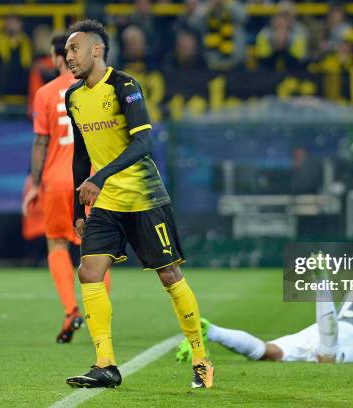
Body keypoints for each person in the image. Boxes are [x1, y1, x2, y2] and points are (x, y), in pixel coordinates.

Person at [62, 19, 213, 389]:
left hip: (144, 196)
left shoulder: (125, 86)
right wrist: (76, 208)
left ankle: (200, 357)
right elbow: (81, 155)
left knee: (169, 276)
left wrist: (100, 177)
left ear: (96, 50)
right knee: (89, 271)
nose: (68, 57)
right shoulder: (74, 97)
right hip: (106, 201)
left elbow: (143, 144)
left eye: (74, 49)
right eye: (67, 51)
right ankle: (105, 365)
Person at [22, 34, 111, 344]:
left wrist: (34, 185)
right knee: (98, 247)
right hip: (93, 178)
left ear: (58, 57)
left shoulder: (46, 93)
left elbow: (41, 141)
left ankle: (71, 310)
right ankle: (98, 314)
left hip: (57, 179)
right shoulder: (95, 86)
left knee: (57, 245)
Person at [176, 289, 353, 364]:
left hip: (328, 325)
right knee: (327, 357)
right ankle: (321, 283)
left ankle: (213, 331)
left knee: (269, 352)